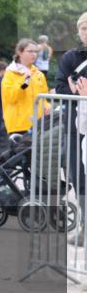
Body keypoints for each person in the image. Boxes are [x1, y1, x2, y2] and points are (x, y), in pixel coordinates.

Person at [56, 12, 87, 225]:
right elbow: (59, 87)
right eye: (84, 28)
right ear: (78, 31)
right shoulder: (70, 58)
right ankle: (85, 220)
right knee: (77, 174)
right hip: (75, 123)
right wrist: (75, 91)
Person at [1, 38, 49, 136]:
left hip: (38, 125)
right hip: (19, 126)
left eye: (36, 51)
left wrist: (47, 106)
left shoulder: (39, 74)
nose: (34, 54)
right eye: (30, 51)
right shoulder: (10, 73)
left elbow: (44, 98)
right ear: (20, 52)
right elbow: (11, 97)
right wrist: (23, 80)